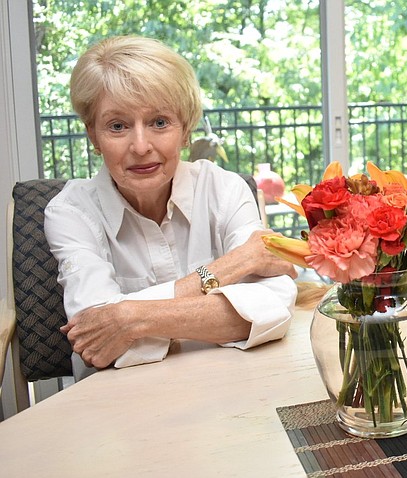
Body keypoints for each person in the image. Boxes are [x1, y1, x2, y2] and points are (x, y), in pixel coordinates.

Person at [45, 35, 298, 378]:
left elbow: (273, 306)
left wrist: (129, 318)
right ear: (93, 136)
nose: (140, 145)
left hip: (229, 386)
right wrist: (234, 265)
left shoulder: (224, 189)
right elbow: (100, 346)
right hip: (117, 405)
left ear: (185, 131)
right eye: (117, 126)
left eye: (159, 122)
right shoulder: (70, 213)